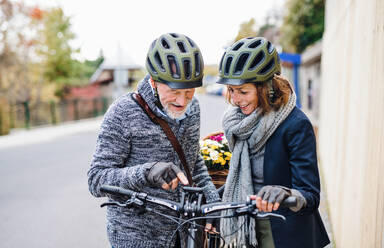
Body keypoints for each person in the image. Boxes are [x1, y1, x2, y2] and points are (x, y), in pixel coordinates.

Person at [87, 33, 220, 248]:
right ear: (154, 82)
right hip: (135, 236)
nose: (182, 101)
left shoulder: (193, 109)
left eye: (189, 92)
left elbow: (194, 163)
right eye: (174, 92)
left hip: (183, 232)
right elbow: (96, 179)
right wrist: (146, 172)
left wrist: (212, 203)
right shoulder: (123, 112)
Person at [217, 37, 330, 248]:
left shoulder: (295, 124)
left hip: (285, 232)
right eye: (231, 90)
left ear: (266, 87)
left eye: (243, 91)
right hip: (246, 227)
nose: (235, 99)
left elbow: (310, 194)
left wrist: (286, 193)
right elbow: (242, 179)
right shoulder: (239, 124)